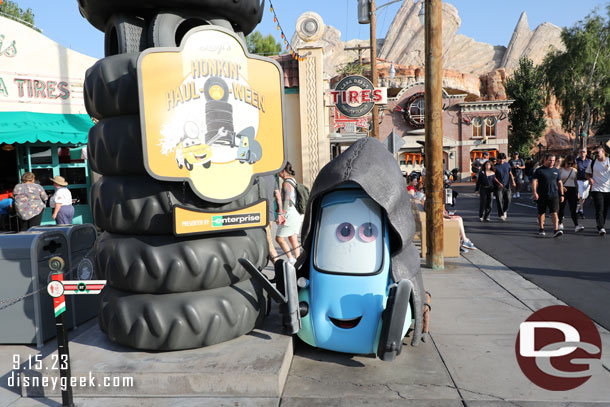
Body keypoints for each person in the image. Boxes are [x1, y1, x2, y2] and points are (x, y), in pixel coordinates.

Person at [275, 162, 302, 264]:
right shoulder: (293, 180)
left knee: (279, 238)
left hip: (289, 212)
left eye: (278, 171)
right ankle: (298, 261)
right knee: (293, 238)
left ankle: (291, 259)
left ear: (283, 171)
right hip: (296, 212)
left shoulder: (286, 183)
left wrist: (281, 213)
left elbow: (286, 199)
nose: (277, 174)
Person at [532, 154, 564, 237]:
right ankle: (541, 228)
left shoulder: (556, 170)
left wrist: (562, 194)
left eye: (553, 160)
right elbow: (534, 181)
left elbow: (560, 183)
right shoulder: (539, 170)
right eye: (550, 160)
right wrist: (534, 192)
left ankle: (556, 230)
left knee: (554, 212)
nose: (552, 162)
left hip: (554, 195)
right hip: (542, 195)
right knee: (541, 213)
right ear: (545, 160)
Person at [585, 145, 610, 236]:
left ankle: (601, 224)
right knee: (599, 208)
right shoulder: (593, 163)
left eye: (597, 152)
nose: (596, 154)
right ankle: (600, 227)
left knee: (605, 209)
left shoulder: (609, 161)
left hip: (608, 189)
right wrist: (589, 179)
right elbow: (587, 174)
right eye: (595, 153)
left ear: (603, 151)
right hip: (596, 189)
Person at [261, 174, 282, 265]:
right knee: (265, 243)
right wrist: (280, 212)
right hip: (269, 214)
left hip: (260, 216)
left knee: (268, 245)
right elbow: (278, 195)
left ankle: (280, 270)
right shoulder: (271, 177)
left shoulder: (256, 175)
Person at [558, 156, 582, 232]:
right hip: (563, 189)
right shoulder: (560, 170)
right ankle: (560, 223)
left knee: (573, 208)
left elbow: (576, 182)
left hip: (572, 189)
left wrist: (578, 192)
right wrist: (561, 187)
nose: (570, 165)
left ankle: (576, 225)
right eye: (568, 163)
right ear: (565, 162)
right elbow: (558, 180)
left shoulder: (574, 170)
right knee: (562, 207)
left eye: (572, 164)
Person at [493, 153, 516, 221]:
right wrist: (499, 183)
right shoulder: (495, 167)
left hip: (507, 185)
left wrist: (513, 181)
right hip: (498, 186)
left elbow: (510, 173)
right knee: (499, 201)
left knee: (508, 199)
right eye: (500, 159)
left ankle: (504, 210)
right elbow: (494, 177)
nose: (502, 161)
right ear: (498, 159)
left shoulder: (507, 165)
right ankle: (501, 214)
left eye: (503, 159)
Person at [575, 147, 591, 218]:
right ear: (579, 153)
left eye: (584, 152)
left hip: (587, 181)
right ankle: (581, 211)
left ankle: (578, 209)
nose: (582, 153)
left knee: (584, 196)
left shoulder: (589, 161)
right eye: (581, 152)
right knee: (581, 195)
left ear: (586, 153)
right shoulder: (576, 161)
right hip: (579, 180)